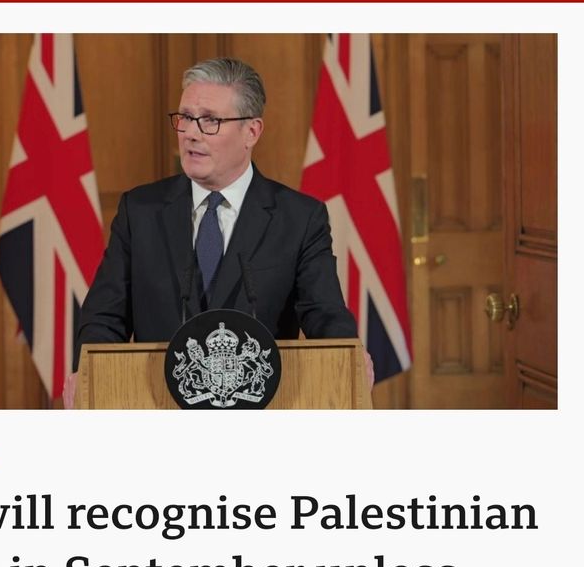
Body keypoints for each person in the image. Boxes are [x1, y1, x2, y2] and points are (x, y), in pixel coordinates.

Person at [64, 57, 372, 406]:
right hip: (154, 404)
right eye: (185, 118)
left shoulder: (299, 218)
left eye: (210, 120)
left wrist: (348, 354)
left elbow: (324, 313)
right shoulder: (140, 211)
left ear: (251, 132)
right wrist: (89, 374)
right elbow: (104, 316)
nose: (191, 133)